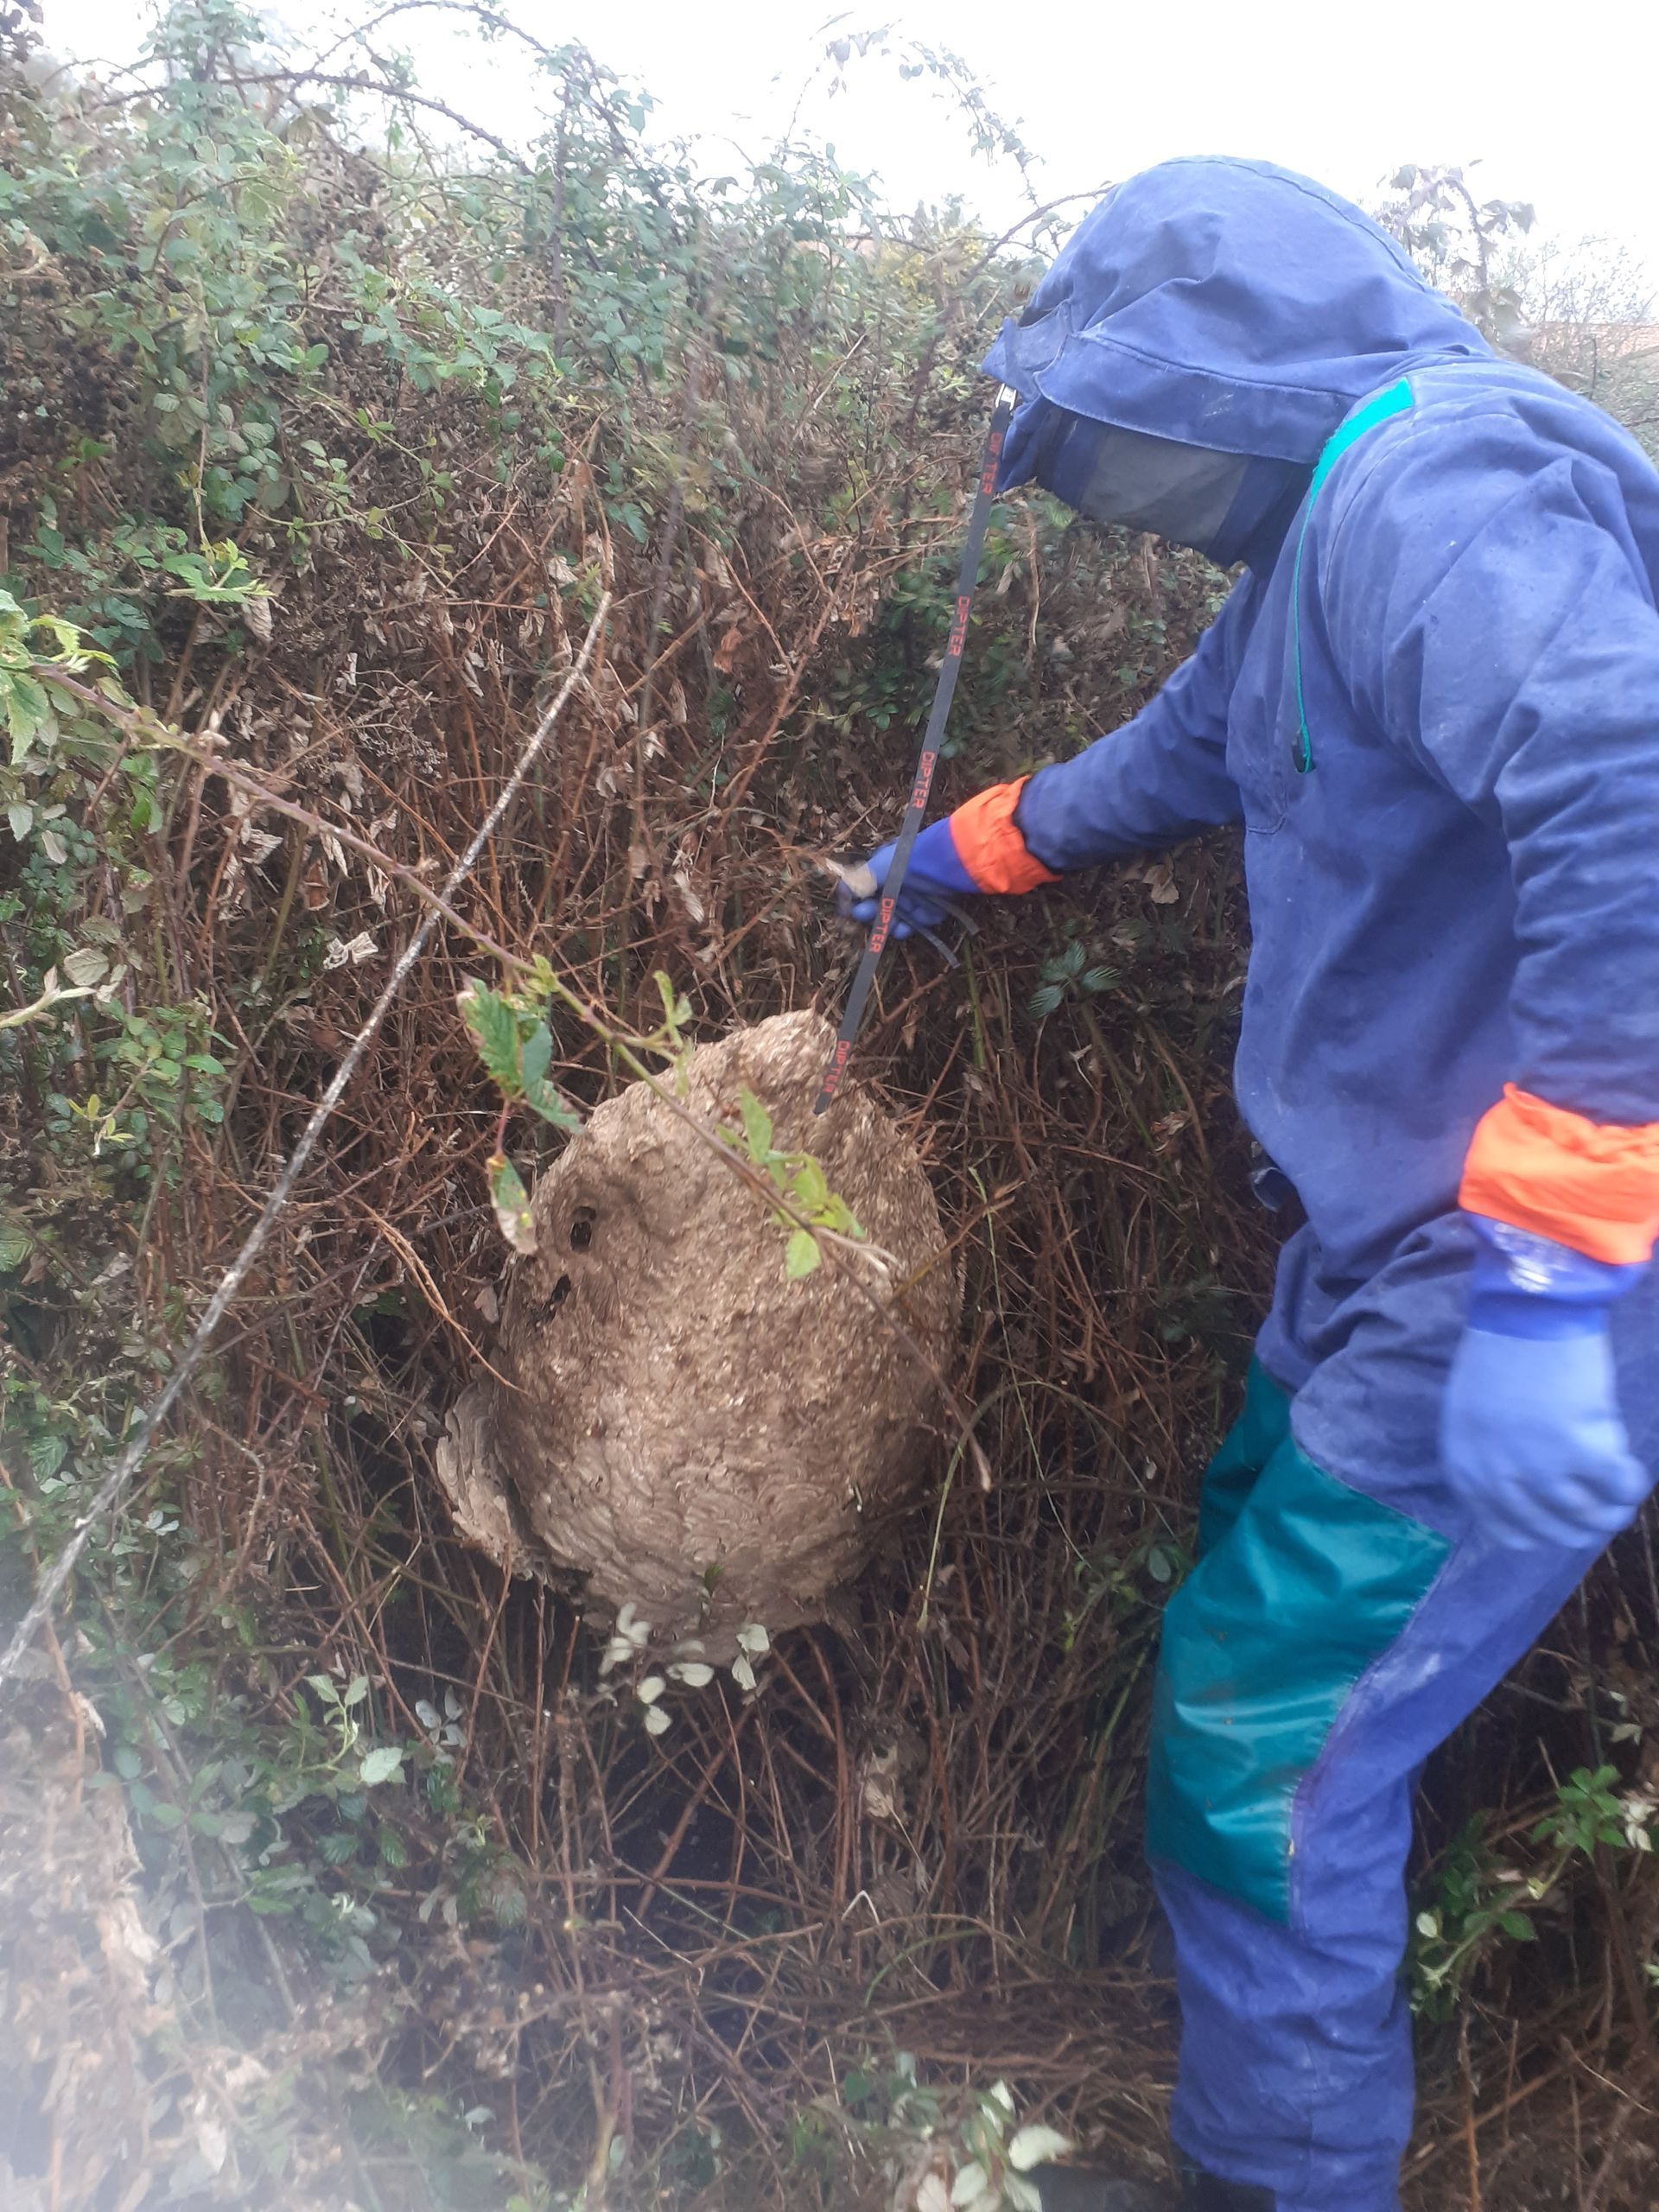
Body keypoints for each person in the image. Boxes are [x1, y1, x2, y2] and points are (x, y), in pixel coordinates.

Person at [843, 158, 1659, 2212]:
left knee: (1260, 1722)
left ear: (1217, 379)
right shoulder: (1311, 559)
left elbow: (1633, 788)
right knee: (1255, 1623)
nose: (1091, 481)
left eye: (1100, 432)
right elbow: (1173, 758)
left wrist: (1564, 1292)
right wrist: (960, 853)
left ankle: (1278, 2183)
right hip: (1395, 1250)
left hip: (1537, 1265)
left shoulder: (1430, 496)